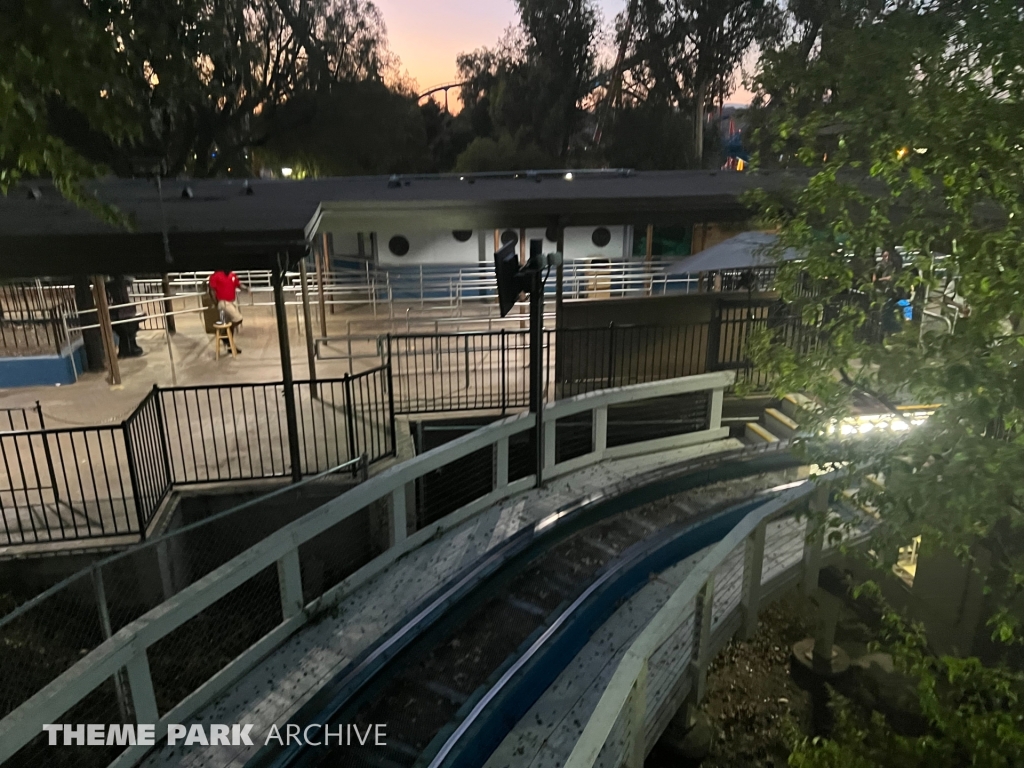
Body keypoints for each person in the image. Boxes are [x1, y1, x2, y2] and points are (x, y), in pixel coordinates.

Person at [208, 268, 247, 352]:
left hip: (232, 301)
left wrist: (246, 289)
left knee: (229, 322)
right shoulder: (216, 276)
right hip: (223, 302)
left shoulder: (232, 275)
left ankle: (229, 345)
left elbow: (238, 284)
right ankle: (225, 335)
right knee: (238, 319)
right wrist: (215, 302)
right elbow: (211, 290)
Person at [106, 276, 144, 358]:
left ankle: (129, 347)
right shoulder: (115, 285)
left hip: (121, 312)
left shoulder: (114, 286)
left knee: (127, 328)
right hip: (121, 313)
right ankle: (129, 347)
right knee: (126, 329)